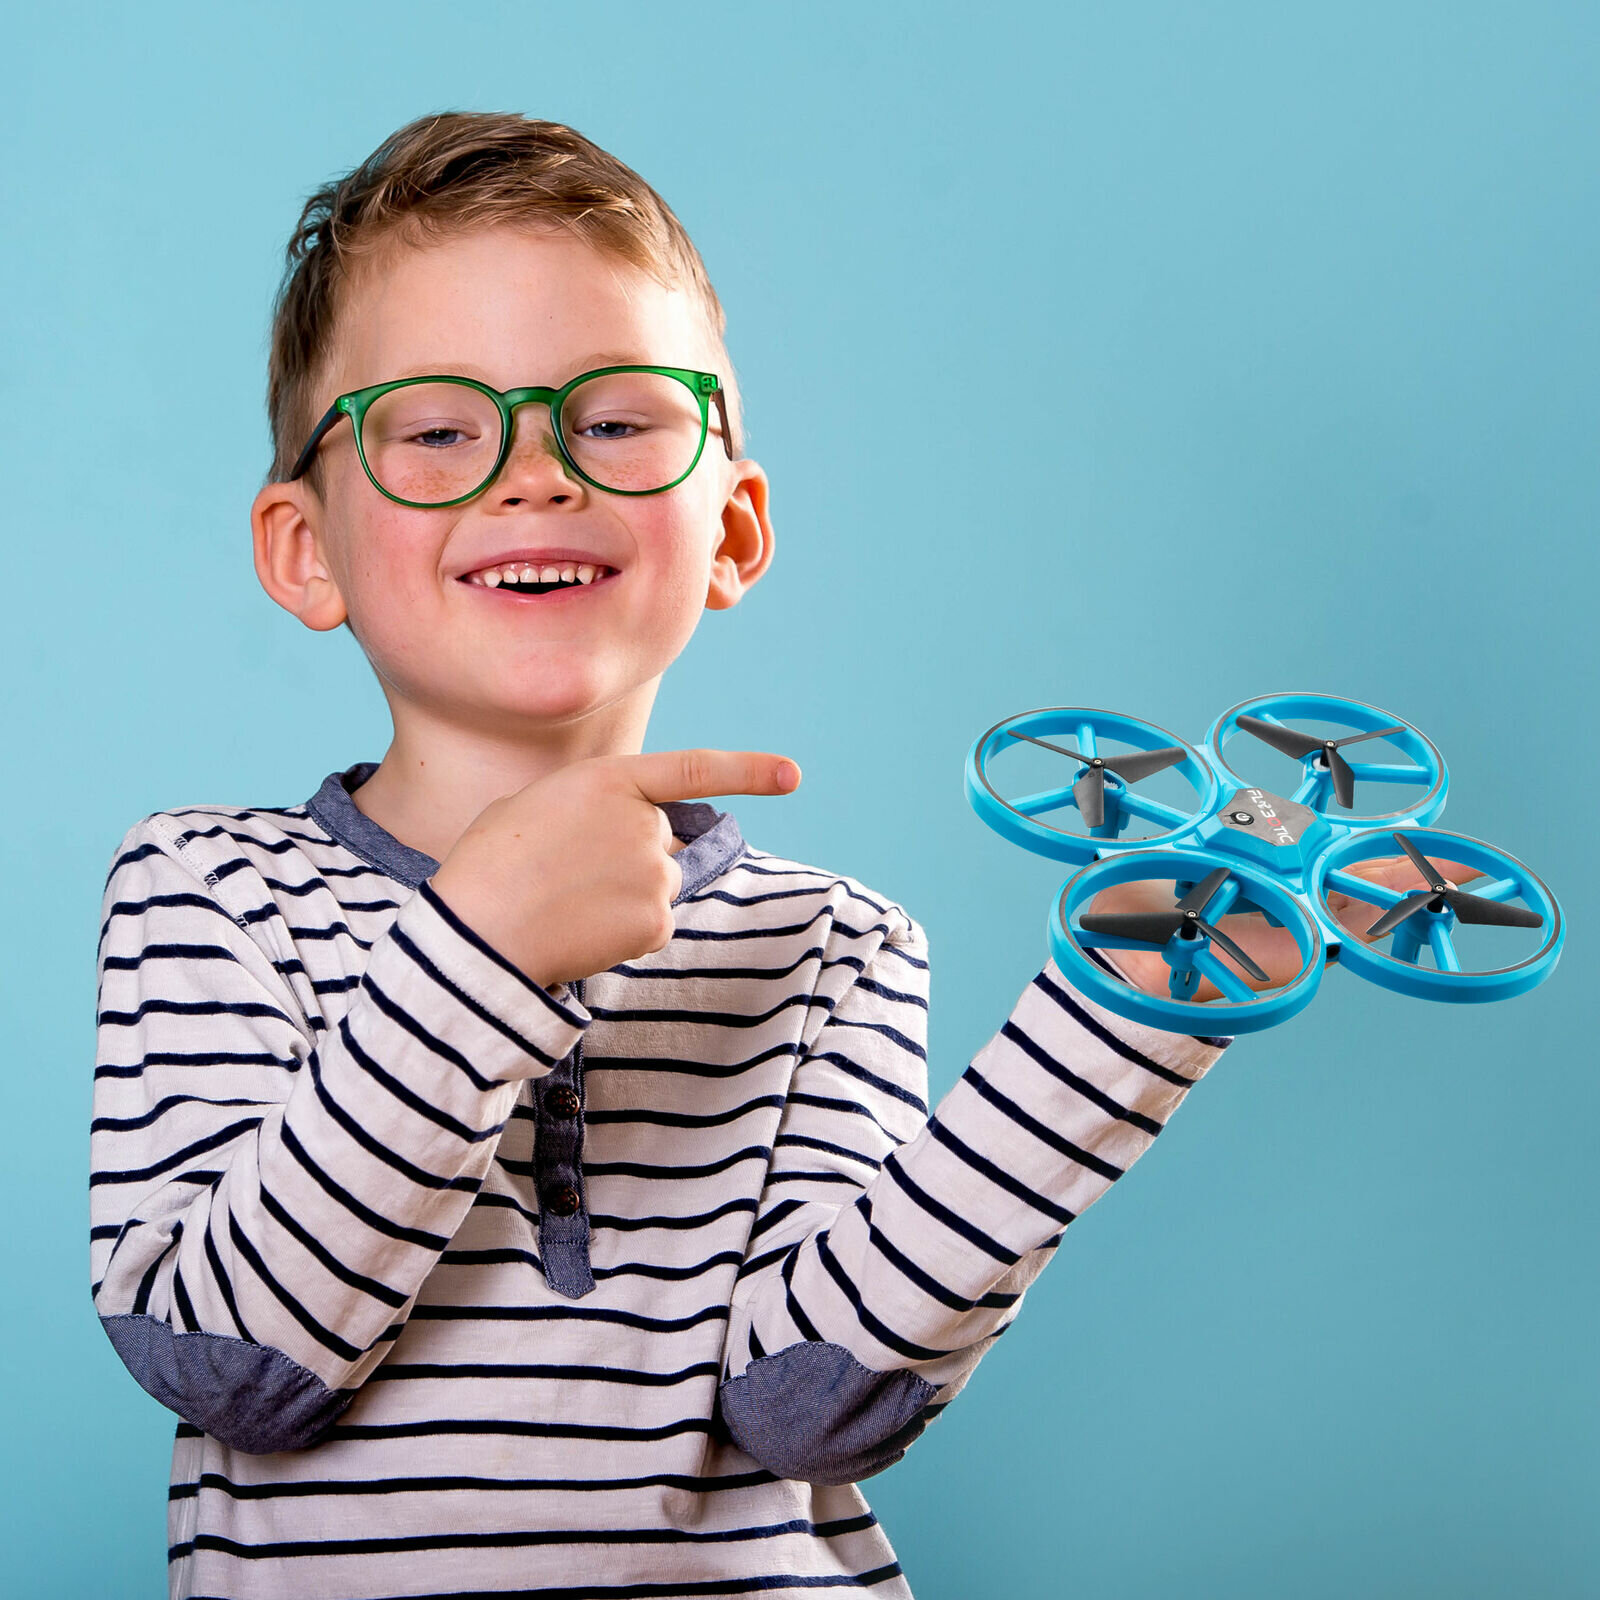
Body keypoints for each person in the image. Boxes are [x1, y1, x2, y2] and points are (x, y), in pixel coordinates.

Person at [89, 110, 1387, 1600]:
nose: (535, 474)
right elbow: (234, 1363)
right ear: (304, 547)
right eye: (437, 429)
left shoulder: (831, 944)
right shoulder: (205, 891)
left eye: (616, 421)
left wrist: (1129, 1012)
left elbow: (809, 1405)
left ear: (733, 529)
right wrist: (476, 961)